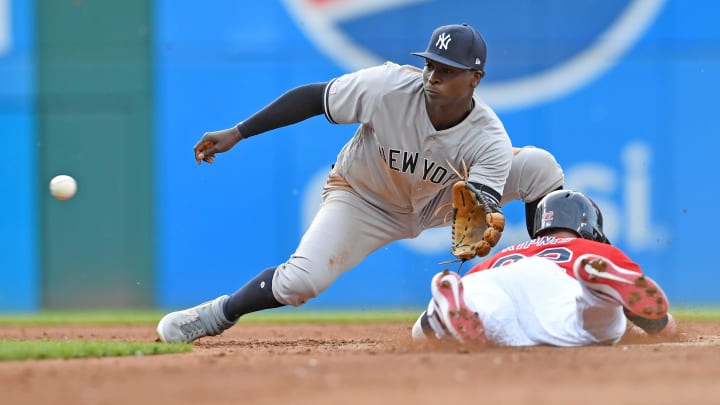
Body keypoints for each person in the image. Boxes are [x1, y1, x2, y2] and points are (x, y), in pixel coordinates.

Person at [156, 23, 559, 344]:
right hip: (362, 197)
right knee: (300, 282)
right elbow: (314, 98)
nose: (433, 76)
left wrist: (477, 218)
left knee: (539, 166)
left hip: (437, 202)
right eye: (430, 64)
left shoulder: (489, 137)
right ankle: (216, 314)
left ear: (475, 78)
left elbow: (477, 207)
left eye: (447, 70)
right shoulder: (387, 87)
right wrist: (239, 132)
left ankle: (556, 279)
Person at [412, 189, 676, 346]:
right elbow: (660, 326)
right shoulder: (598, 251)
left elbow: (482, 280)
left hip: (488, 280)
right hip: (555, 284)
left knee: (481, 319)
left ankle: (441, 313)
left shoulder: (507, 253)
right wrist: (663, 326)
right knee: (595, 329)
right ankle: (598, 295)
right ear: (590, 227)